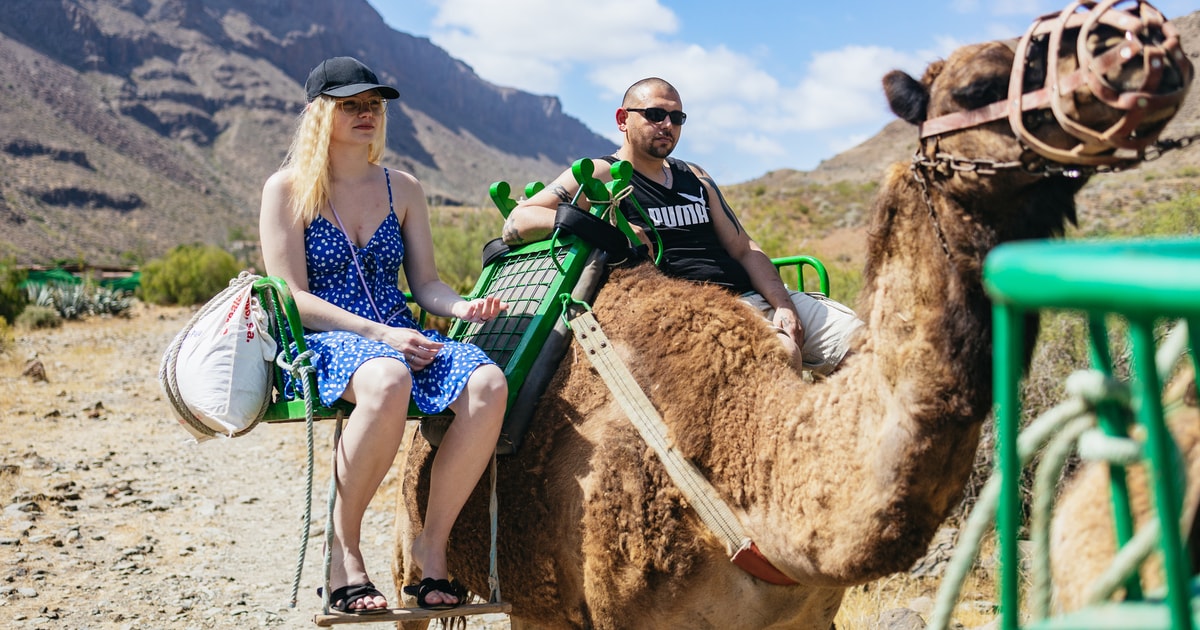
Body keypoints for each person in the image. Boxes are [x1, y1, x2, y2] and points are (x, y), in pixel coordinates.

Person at [259, 56, 507, 614]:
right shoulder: (288, 189)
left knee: (488, 382)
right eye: (350, 104)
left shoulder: (405, 188)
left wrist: (464, 306)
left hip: (400, 334)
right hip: (324, 338)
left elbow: (426, 284)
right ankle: (343, 553)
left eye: (373, 103)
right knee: (387, 376)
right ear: (320, 114)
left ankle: (430, 548)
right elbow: (292, 297)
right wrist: (379, 334)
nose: (366, 112)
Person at [502, 77, 862, 376]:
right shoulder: (599, 173)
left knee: (868, 344)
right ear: (622, 119)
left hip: (753, 296)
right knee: (780, 352)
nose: (667, 125)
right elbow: (518, 221)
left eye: (677, 117)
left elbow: (743, 248)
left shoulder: (695, 176)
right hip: (691, 310)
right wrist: (598, 229)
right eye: (655, 114)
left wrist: (783, 304)